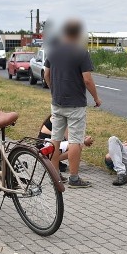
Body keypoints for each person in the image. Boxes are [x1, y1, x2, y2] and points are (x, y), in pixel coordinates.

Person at [43, 19, 101, 188]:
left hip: (57, 102)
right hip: (75, 104)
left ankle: (55, 175)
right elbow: (87, 80)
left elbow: (47, 74)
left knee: (55, 139)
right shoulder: (80, 52)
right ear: (78, 34)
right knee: (75, 140)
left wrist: (54, 89)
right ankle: (74, 178)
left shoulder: (53, 51)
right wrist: (96, 98)